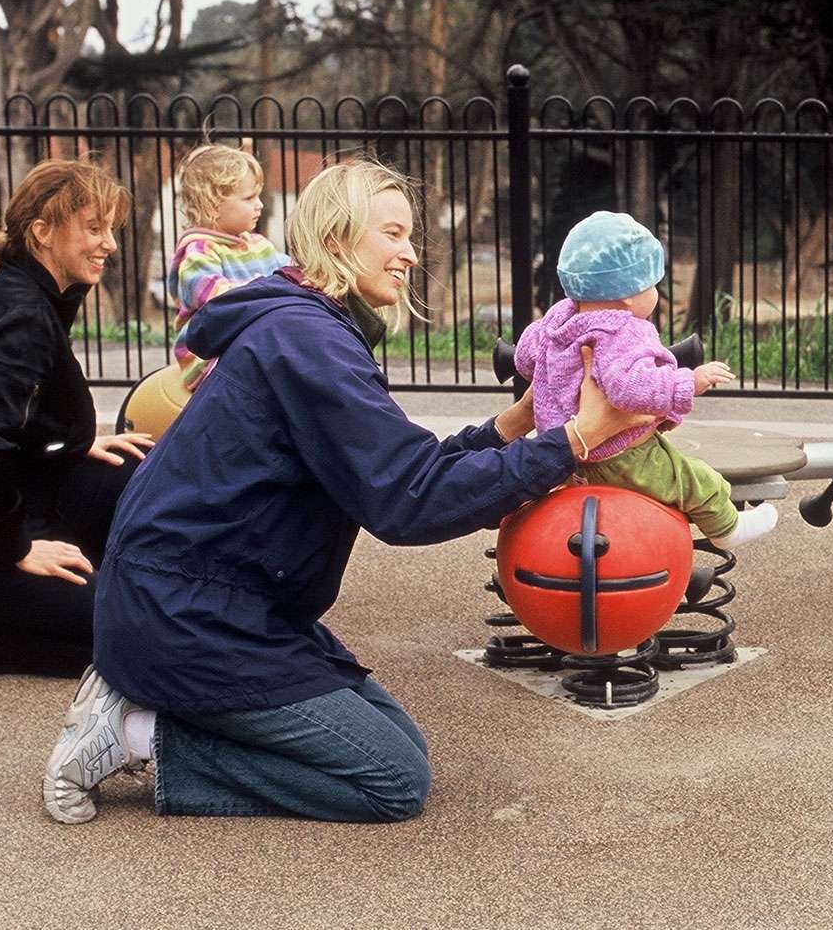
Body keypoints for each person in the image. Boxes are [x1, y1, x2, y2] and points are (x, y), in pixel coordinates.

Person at [41, 156, 655, 824]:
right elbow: (408, 501)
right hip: (187, 618)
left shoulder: (308, 328)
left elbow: (401, 467)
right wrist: (570, 441)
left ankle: (150, 705)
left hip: (216, 602)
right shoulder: (307, 341)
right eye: (392, 234)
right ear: (337, 238)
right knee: (392, 779)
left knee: (399, 742)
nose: (410, 254)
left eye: (409, 236)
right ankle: (132, 733)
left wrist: (513, 426)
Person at [0, 160, 155, 679]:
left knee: (137, 468)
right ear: (42, 233)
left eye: (110, 228)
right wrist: (14, 545)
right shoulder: (21, 310)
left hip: (12, 502)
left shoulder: (33, 290)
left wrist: (68, 440)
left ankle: (68, 590)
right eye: (94, 228)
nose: (109, 243)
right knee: (138, 644)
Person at [514, 210, 777, 547]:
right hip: (617, 453)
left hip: (565, 452)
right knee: (694, 479)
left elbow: (524, 360)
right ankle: (727, 530)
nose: (655, 291)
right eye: (653, 284)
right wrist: (689, 382)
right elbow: (628, 390)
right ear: (628, 293)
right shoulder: (622, 329)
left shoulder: (559, 321)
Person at [168, 142, 291, 390]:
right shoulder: (199, 252)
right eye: (249, 198)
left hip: (250, 341)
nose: (260, 205)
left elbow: (290, 274)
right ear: (214, 205)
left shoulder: (258, 245)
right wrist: (268, 289)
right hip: (209, 354)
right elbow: (215, 296)